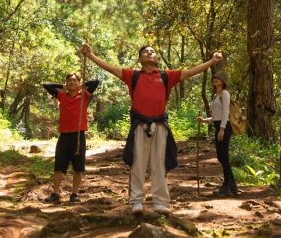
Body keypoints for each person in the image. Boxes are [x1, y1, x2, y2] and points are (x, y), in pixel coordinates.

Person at [82, 42, 223, 214]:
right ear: (140, 59)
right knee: (138, 164)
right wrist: (91, 55)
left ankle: (160, 202)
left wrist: (211, 61)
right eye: (145, 52)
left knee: (159, 165)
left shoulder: (166, 76)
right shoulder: (132, 75)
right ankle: (136, 202)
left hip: (160, 126)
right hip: (139, 126)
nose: (149, 53)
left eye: (152, 51)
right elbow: (111, 68)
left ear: (156, 58)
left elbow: (190, 72)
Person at [42, 73, 100, 203]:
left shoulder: (83, 96)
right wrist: (64, 86)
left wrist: (81, 87)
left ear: (79, 83)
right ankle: (55, 193)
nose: (71, 82)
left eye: (74, 81)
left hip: (78, 136)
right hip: (64, 136)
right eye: (69, 81)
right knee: (58, 167)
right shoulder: (62, 96)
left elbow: (95, 82)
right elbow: (47, 86)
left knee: (78, 168)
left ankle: (74, 194)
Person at [198, 70, 238, 196]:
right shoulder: (216, 95)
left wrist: (222, 129)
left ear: (223, 81)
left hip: (224, 128)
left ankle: (227, 186)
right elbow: (216, 116)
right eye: (214, 78)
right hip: (218, 126)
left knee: (223, 157)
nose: (215, 79)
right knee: (222, 157)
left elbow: (226, 113)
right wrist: (204, 120)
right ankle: (232, 185)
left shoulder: (225, 93)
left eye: (218, 78)